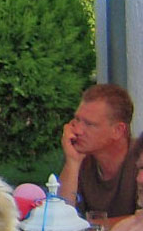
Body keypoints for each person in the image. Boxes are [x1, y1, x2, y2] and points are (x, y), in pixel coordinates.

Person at [58, 84, 137, 217]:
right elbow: (61, 216)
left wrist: (93, 225)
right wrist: (72, 162)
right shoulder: (81, 158)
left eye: (89, 124)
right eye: (77, 119)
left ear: (118, 131)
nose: (77, 130)